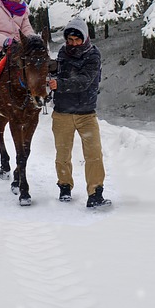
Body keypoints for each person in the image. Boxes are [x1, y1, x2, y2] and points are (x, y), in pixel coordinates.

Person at [48, 18, 108, 207]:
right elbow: (57, 73)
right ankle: (65, 187)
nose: (73, 43)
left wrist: (60, 84)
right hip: (62, 113)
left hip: (86, 114)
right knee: (62, 154)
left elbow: (85, 81)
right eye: (70, 40)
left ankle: (95, 193)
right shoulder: (63, 53)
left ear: (85, 38)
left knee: (94, 155)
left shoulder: (93, 55)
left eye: (77, 40)